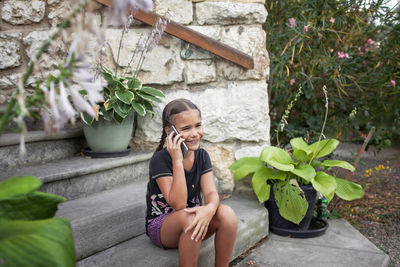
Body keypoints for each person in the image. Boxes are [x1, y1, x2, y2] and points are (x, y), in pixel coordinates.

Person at [145, 98, 238, 267]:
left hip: (193, 216)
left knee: (227, 214)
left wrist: (209, 209)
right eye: (186, 128)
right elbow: (179, 204)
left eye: (198, 125)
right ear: (169, 131)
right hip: (163, 226)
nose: (195, 133)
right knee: (191, 220)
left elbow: (211, 193)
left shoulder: (202, 156)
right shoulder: (160, 160)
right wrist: (177, 160)